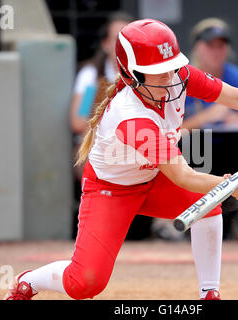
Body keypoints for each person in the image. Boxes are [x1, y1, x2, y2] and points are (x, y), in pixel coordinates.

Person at [5, 19, 238, 301]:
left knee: (208, 203)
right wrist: (231, 185)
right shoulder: (129, 116)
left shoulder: (177, 76)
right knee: (85, 283)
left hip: (153, 179)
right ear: (132, 75)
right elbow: (182, 175)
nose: (169, 77)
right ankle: (28, 281)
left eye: (171, 67)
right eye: (157, 72)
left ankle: (210, 293)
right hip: (111, 191)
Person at [69, 12, 153, 240]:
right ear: (106, 44)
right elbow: (77, 120)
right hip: (100, 149)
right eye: (117, 40)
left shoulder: (147, 76)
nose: (123, 46)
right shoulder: (92, 77)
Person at [182, 18, 238, 240]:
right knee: (195, 141)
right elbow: (168, 134)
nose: (217, 52)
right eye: (210, 45)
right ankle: (189, 214)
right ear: (198, 46)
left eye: (221, 46)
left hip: (230, 154)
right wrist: (205, 117)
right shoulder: (180, 79)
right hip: (196, 153)